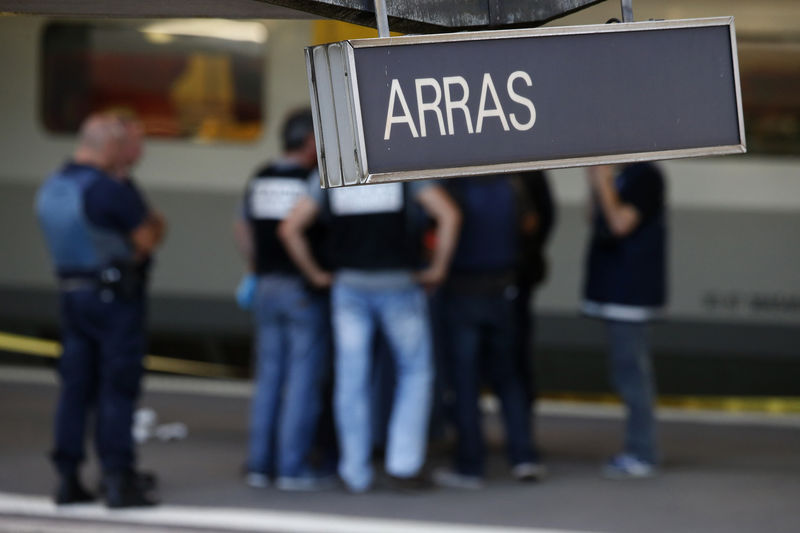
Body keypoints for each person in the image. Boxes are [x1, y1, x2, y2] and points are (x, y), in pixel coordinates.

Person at [279, 177, 460, 493]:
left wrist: (316, 275)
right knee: (415, 372)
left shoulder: (336, 167)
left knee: (352, 380)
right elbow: (449, 214)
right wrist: (438, 268)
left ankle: (355, 471)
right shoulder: (400, 164)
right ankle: (403, 464)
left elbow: (290, 228)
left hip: (349, 285)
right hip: (399, 284)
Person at [35, 112, 166, 507]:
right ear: (110, 146)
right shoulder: (108, 190)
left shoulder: (55, 185)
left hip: (71, 295)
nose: (134, 152)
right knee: (117, 388)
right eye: (128, 144)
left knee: (75, 389)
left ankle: (67, 476)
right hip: (114, 298)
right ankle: (117, 477)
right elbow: (149, 235)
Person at [234, 109, 331, 491]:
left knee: (269, 380)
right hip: (300, 291)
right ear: (309, 141)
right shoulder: (311, 180)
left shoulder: (261, 176)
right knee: (302, 382)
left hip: (266, 287)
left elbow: (241, 225)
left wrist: (256, 264)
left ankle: (260, 464)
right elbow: (300, 233)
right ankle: (291, 468)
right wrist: (315, 274)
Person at [433, 174, 544, 490]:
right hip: (503, 290)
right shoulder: (512, 184)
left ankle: (471, 464)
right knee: (509, 378)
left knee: (465, 383)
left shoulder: (454, 186)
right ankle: (524, 456)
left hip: (463, 291)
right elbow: (530, 224)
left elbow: (441, 228)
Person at [582, 162, 667, 479]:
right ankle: (639, 449)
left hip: (631, 295)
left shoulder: (646, 177)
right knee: (625, 373)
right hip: (613, 295)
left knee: (633, 376)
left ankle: (643, 452)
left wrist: (603, 180)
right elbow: (596, 218)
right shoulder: (621, 177)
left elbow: (619, 223)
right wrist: (596, 182)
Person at [515, 171, 556, 405]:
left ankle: (470, 437)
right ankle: (521, 435)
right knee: (518, 353)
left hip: (515, 274)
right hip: (520, 274)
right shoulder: (529, 171)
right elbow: (547, 216)